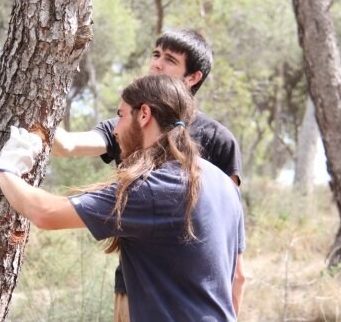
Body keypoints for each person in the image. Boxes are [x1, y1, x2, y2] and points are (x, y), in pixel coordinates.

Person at [0, 74, 245, 321]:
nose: (115, 129)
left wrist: (6, 169)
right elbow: (237, 277)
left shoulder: (155, 188)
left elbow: (45, 213)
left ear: (144, 114)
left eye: (121, 115)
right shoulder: (224, 184)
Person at [52, 29, 245, 318]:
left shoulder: (219, 140)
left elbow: (233, 248)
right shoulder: (127, 125)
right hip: (136, 290)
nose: (156, 64)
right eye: (155, 55)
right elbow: (66, 144)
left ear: (193, 78)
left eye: (169, 60)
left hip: (197, 300)